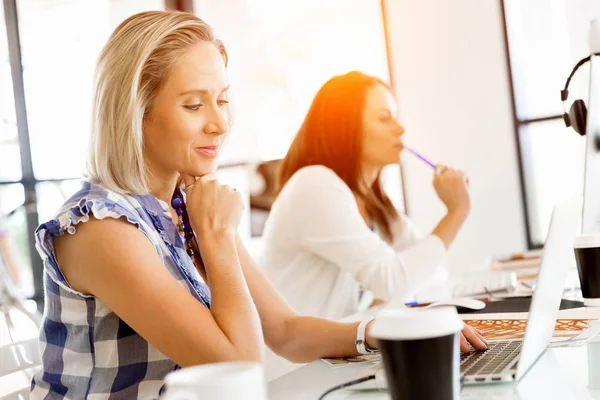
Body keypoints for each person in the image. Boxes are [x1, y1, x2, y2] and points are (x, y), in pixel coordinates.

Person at [31, 12, 486, 398]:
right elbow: (241, 371)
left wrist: (385, 332)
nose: (219, 124)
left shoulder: (183, 207)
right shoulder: (101, 227)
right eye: (193, 105)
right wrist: (220, 238)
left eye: (223, 101)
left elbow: (286, 331)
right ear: (137, 112)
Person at [261, 71, 471, 320]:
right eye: (384, 118)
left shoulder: (376, 205)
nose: (401, 129)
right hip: (305, 359)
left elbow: (431, 273)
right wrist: (457, 212)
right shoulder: (314, 185)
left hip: (345, 354)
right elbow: (394, 280)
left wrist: (387, 296)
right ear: (344, 127)